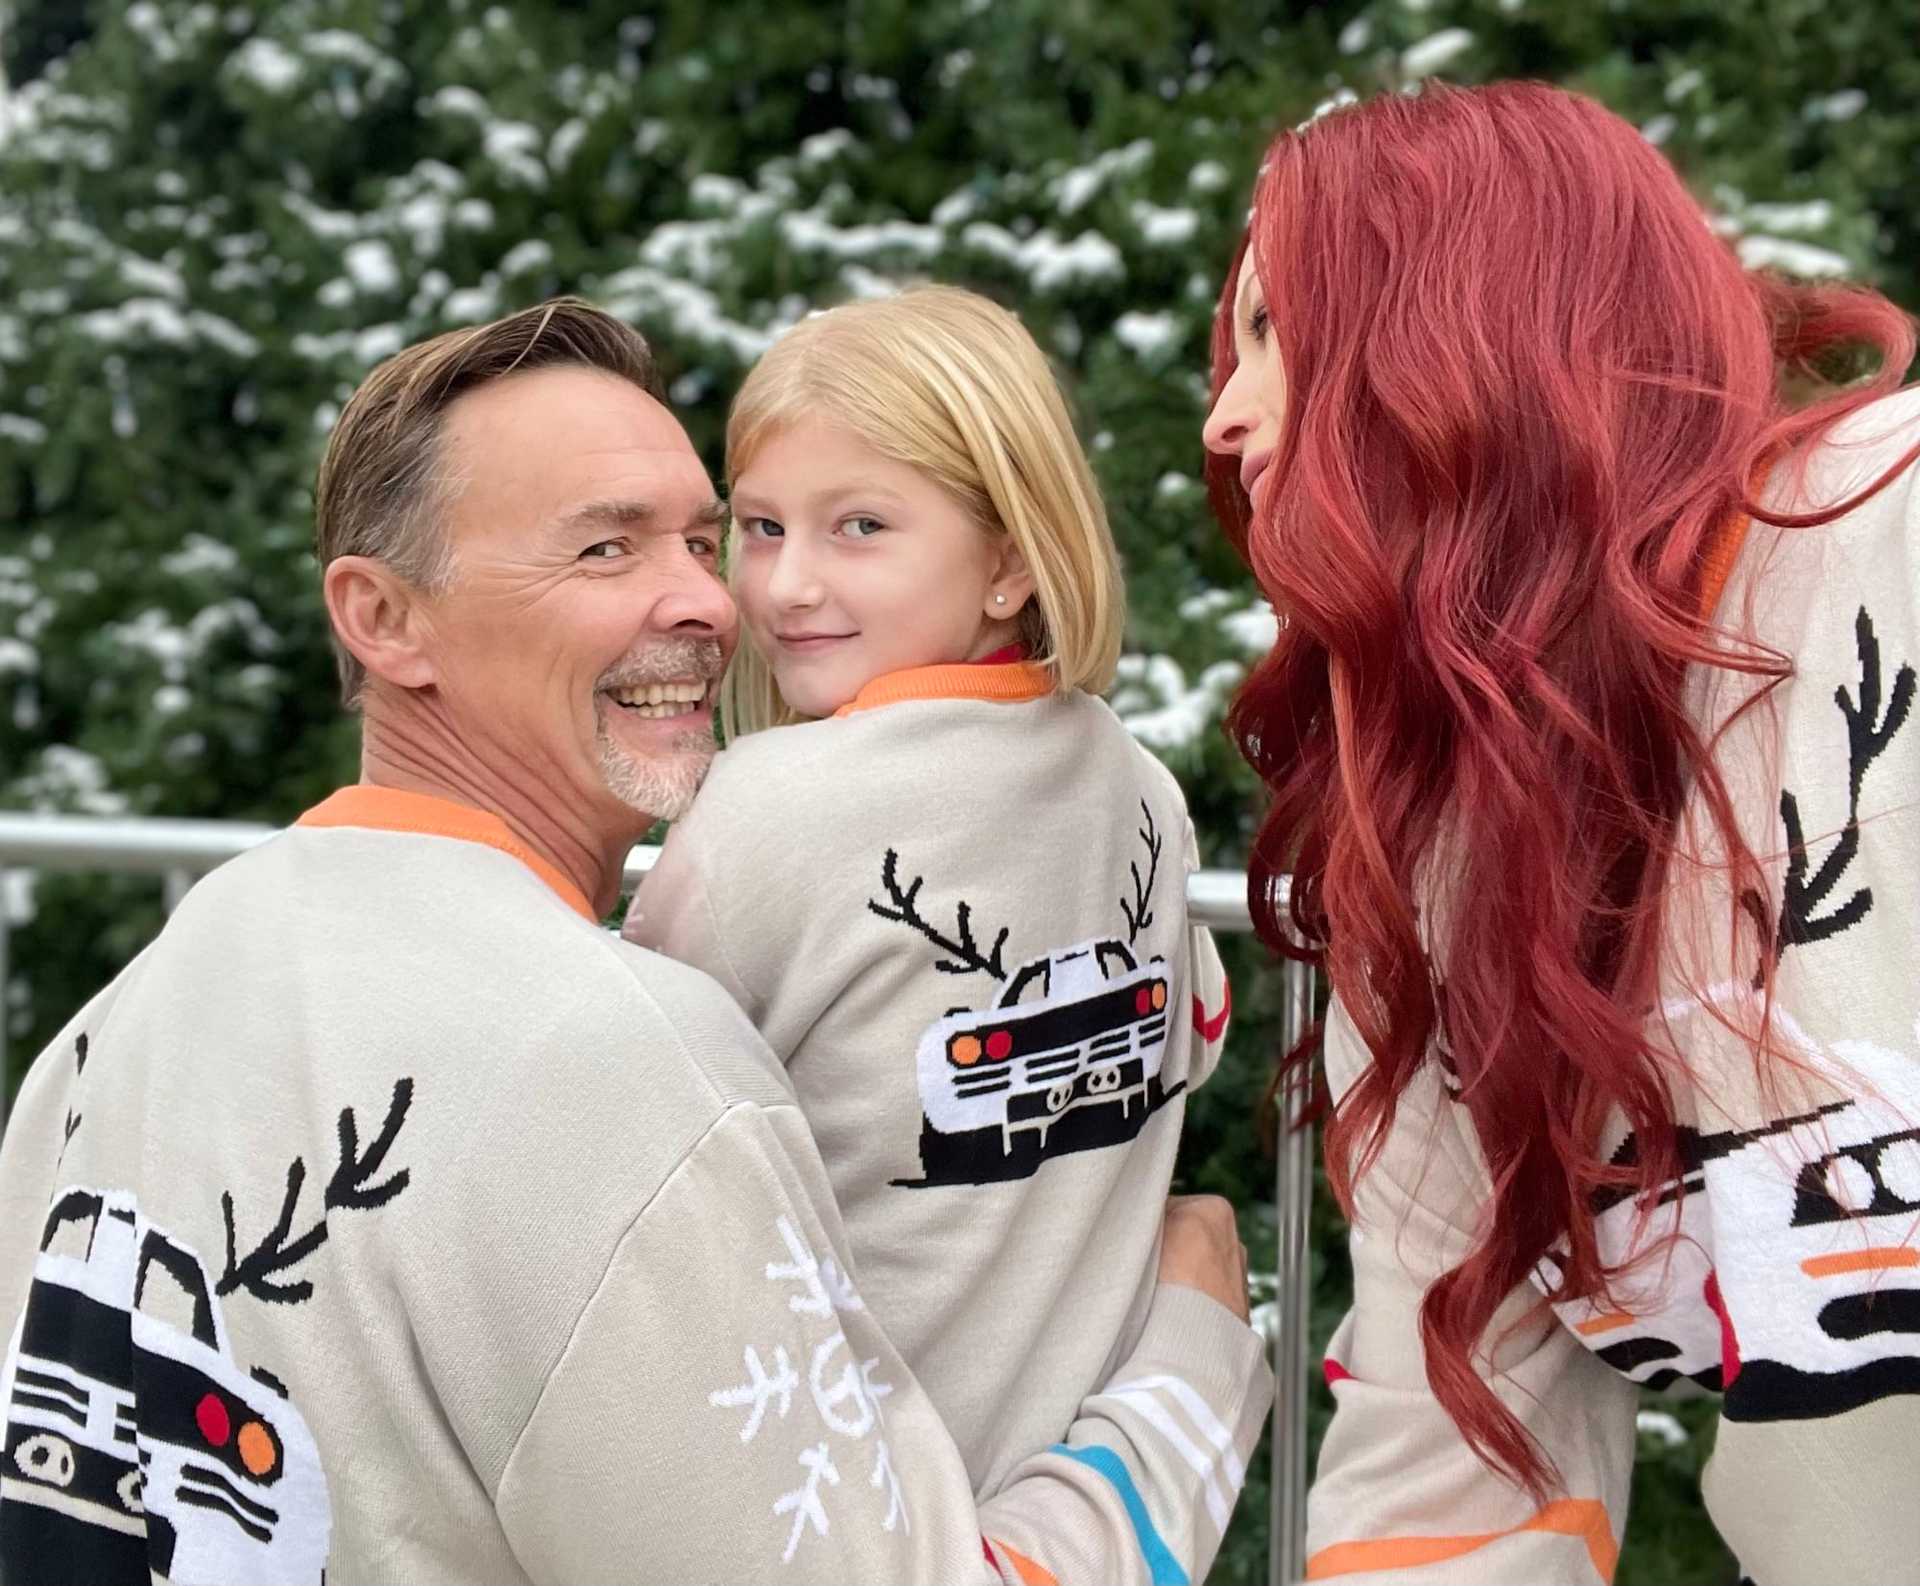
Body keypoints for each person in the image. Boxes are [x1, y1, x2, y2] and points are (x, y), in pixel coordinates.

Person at [0, 297, 1271, 1585]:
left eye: (704, 538)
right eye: (606, 549)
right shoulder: (632, 1079)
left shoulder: (114, 1025)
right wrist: (1196, 1361)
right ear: (381, 617)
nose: (720, 599)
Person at [1201, 81, 1920, 1583]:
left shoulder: (1888, 527)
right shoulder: (1433, 865)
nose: (1224, 415)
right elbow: (1455, 1447)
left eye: (1275, 330)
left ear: (1462, 318)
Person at [622, 286, 1237, 1495]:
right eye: (759, 526)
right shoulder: (1136, 780)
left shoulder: (759, 810)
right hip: (1088, 1481)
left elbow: (630, 1126)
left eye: (858, 526)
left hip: (836, 1494)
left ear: (1009, 556)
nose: (789, 584)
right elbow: (1195, 1036)